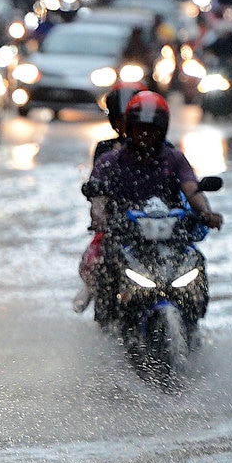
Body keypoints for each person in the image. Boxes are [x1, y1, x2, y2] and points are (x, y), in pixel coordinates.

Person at [83, 92, 222, 325]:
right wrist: (100, 219)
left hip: (170, 237)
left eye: (151, 129)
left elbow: (192, 189)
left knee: (195, 260)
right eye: (139, 129)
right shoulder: (109, 161)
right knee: (106, 266)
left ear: (163, 129)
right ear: (129, 128)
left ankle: (192, 316)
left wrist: (206, 213)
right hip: (125, 236)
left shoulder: (175, 158)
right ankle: (109, 326)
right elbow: (99, 199)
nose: (145, 134)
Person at [73, 81, 148, 312]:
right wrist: (100, 217)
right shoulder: (106, 152)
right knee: (99, 260)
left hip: (156, 219)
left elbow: (183, 187)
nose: (127, 126)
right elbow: (98, 190)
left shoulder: (164, 149)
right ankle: (102, 303)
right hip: (120, 222)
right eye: (121, 120)